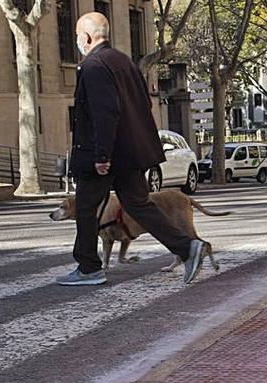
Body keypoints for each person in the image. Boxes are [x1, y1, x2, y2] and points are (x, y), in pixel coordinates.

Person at [58, 12, 209, 286]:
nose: (77, 41)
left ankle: (89, 268)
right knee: (139, 204)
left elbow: (106, 112)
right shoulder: (123, 62)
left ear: (87, 37)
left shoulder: (93, 66)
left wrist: (102, 154)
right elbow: (143, 105)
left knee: (85, 207)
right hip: (131, 152)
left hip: (104, 154)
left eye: (78, 36)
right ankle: (188, 248)